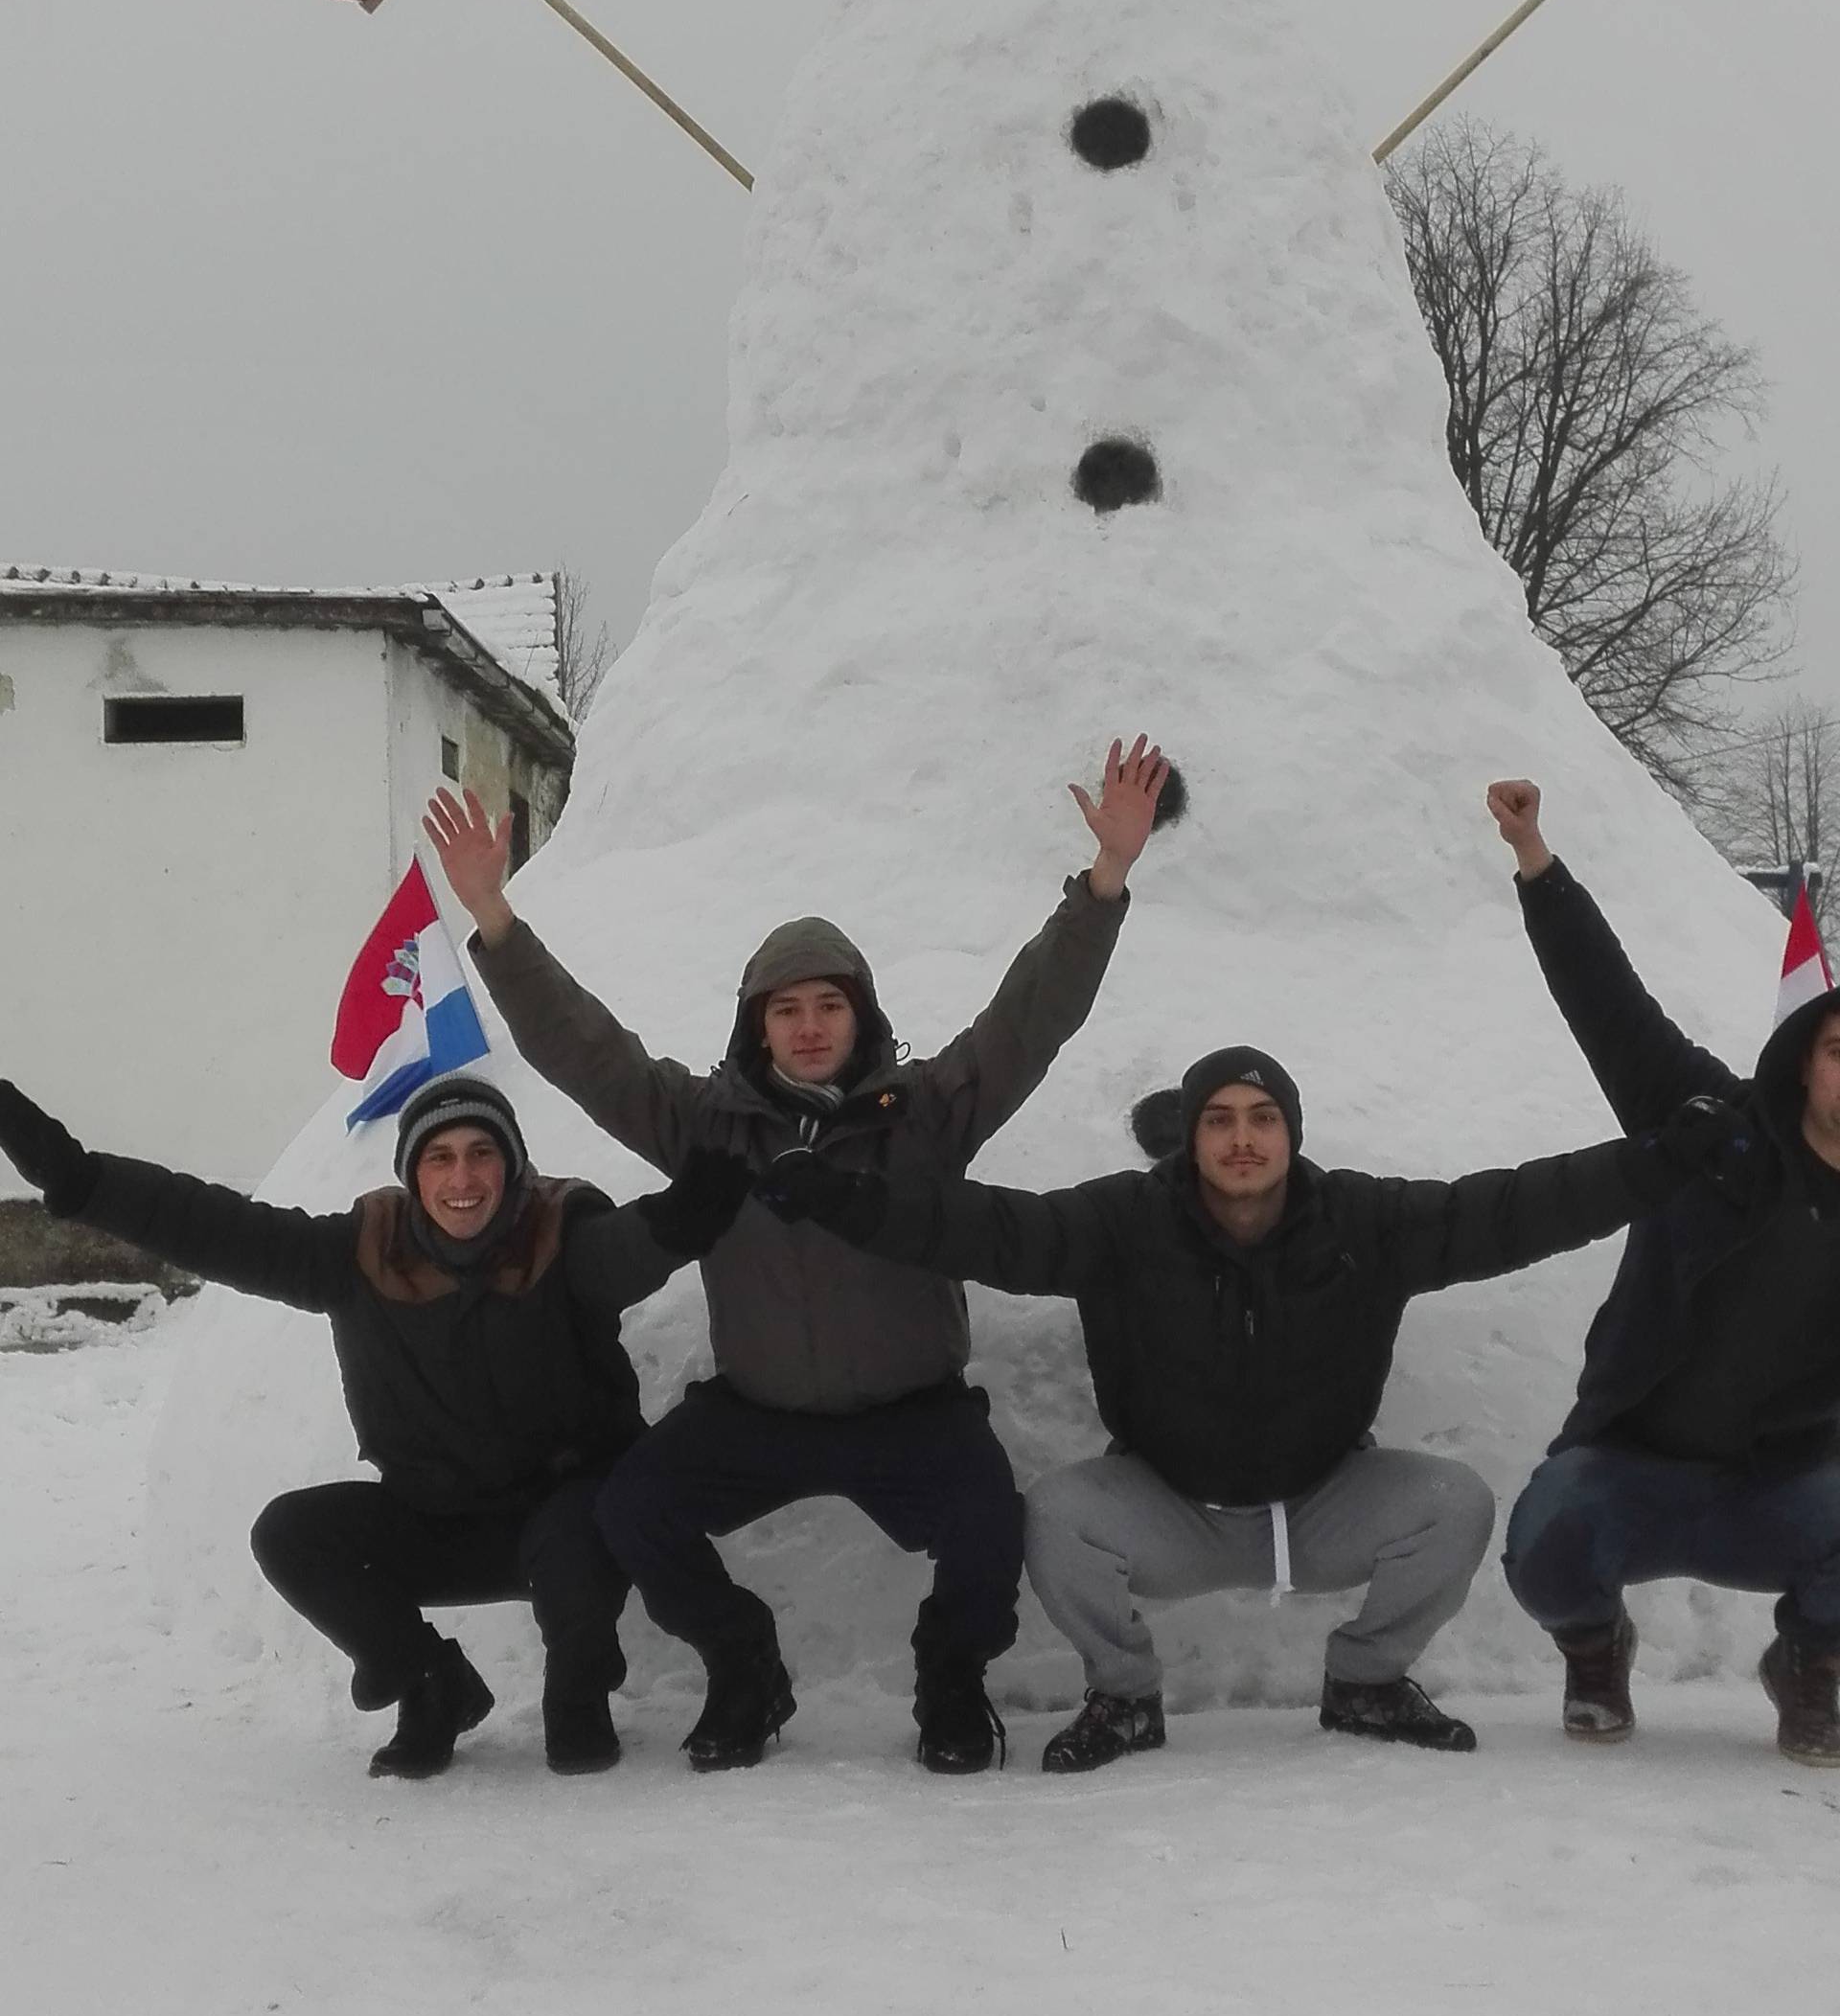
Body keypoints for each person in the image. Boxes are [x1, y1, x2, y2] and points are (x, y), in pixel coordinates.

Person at [426, 740, 1168, 1774]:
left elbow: (1028, 1021)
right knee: (634, 1508)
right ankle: (742, 1665)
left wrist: (1104, 882)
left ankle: (951, 1678)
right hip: (758, 1412)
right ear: (757, 1025)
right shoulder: (704, 1123)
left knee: (989, 1521)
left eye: (829, 1003)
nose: (810, 1025)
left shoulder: (925, 1114)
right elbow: (586, 1050)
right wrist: (495, 923)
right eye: (786, 1008)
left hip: (913, 1410)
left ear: (860, 1015)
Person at [758, 1044, 1732, 1769]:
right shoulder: (1121, 1222)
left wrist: (1661, 1160)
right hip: (1169, 1506)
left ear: (1290, 1133)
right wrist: (847, 1198)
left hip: (1322, 1502)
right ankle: (1126, 1697)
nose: (1240, 1138)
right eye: (1218, 1118)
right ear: (1189, 1137)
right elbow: (985, 1228)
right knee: (1058, 1510)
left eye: (1261, 1117)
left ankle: (1368, 1681)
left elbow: (1523, 1204)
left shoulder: (1364, 1222)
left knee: (1454, 1498)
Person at [0, 1067, 747, 1779]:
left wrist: (687, 1215)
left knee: (585, 1529)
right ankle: (432, 1684)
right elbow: (214, 1227)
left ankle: (577, 1692)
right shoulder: (356, 1256)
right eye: (441, 1158)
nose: (463, 1180)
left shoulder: (563, 1239)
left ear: (513, 1166)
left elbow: (630, 1248)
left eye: (483, 1154)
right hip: (437, 1517)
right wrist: (78, 1178)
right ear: (412, 1174)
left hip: (563, 1511)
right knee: (293, 1533)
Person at [1487, 778, 1840, 1765]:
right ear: (1805, 1063)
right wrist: (1538, 862)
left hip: (1780, 1485)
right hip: (1629, 1464)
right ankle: (1596, 1647)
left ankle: (1811, 1661)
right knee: (1548, 1543)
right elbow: (1611, 1007)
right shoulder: (1712, 1127)